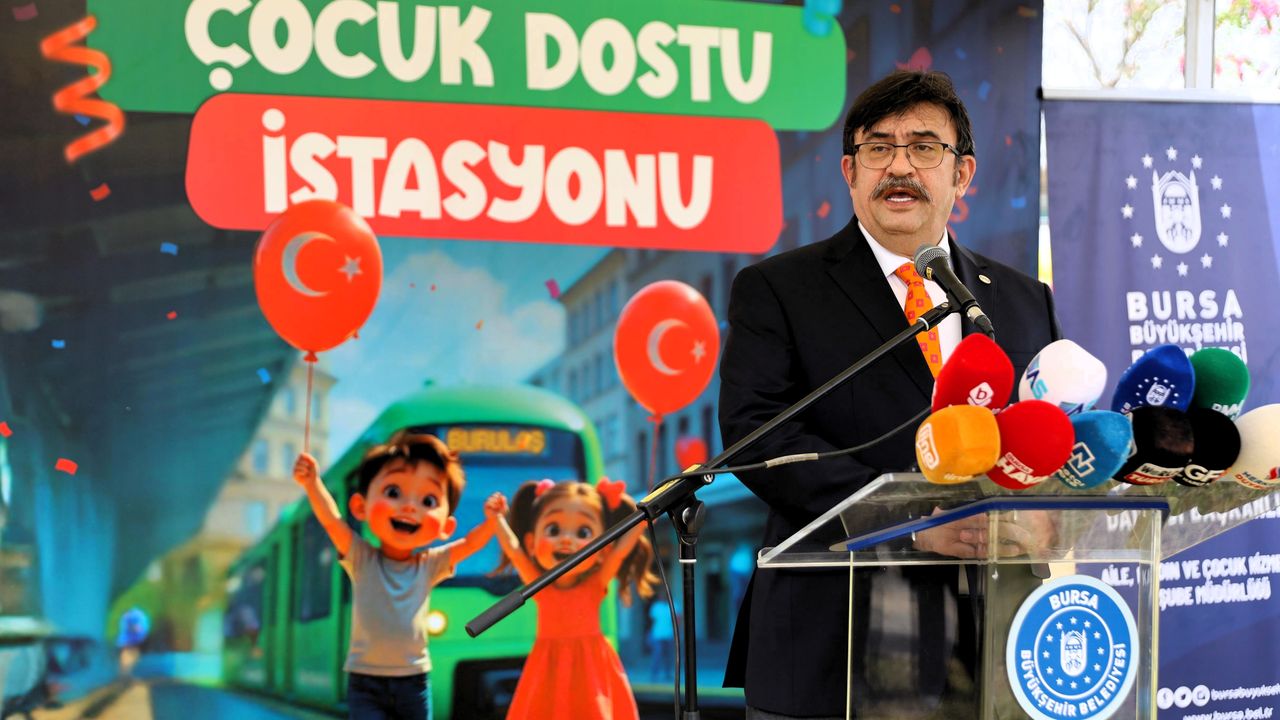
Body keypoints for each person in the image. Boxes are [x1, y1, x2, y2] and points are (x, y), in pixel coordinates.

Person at [718, 69, 1061, 719]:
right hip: (833, 643)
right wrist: (911, 522)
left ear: (962, 174)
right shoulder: (779, 290)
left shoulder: (1024, 300)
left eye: (924, 147)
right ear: (850, 172)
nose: (899, 166)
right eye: (879, 148)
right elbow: (757, 434)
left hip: (998, 642)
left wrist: (1047, 515)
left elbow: (1052, 432)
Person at [293, 431, 505, 720]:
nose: (409, 507)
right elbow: (332, 520)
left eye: (428, 500)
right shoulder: (361, 557)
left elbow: (470, 543)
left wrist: (493, 522)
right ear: (360, 507)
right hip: (365, 680)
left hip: (413, 681)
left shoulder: (430, 564)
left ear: (446, 527)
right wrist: (312, 483)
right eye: (393, 492)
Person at [492, 478, 658, 720]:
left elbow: (621, 551)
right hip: (548, 666)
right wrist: (497, 519)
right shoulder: (540, 586)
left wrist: (643, 519)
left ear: (603, 551)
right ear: (531, 543)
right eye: (553, 530)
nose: (566, 540)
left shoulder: (595, 584)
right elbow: (514, 552)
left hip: (591, 667)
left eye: (583, 532)